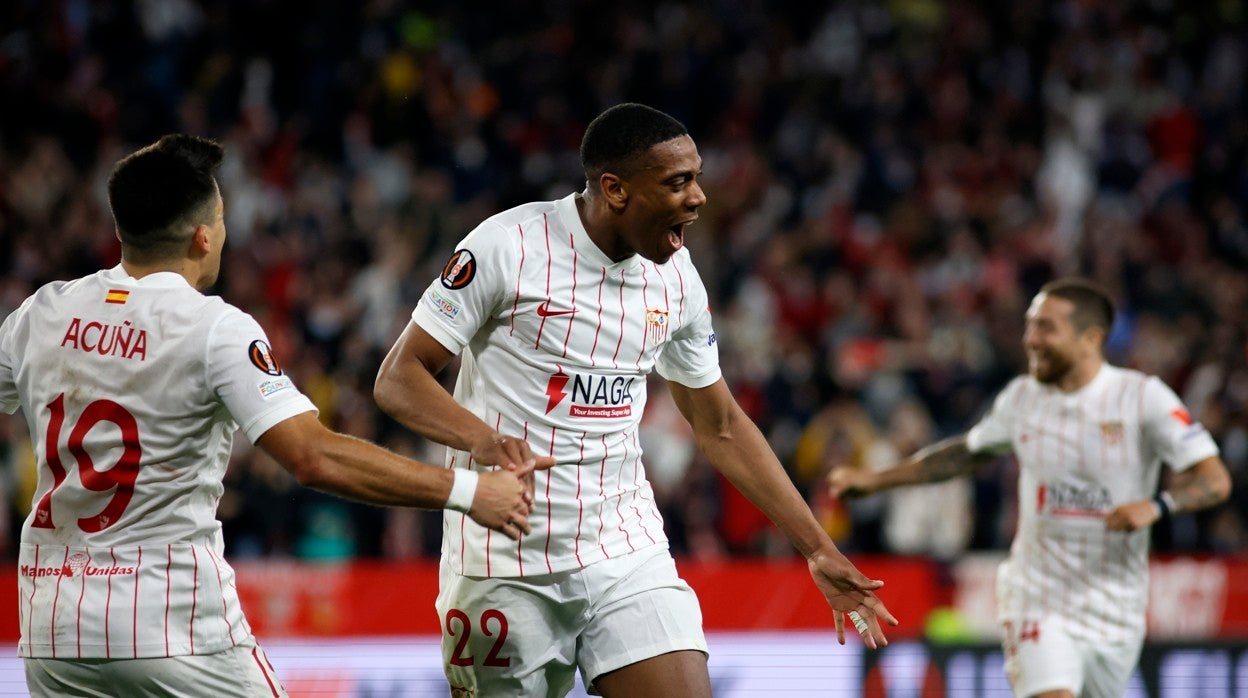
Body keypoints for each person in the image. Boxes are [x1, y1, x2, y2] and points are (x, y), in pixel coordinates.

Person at [0, 134, 553, 697]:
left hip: (53, 631)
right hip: (170, 630)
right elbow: (312, 456)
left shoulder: (40, 313)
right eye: (221, 216)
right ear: (202, 236)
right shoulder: (214, 329)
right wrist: (468, 492)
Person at [374, 102, 897, 698]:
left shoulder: (676, 277)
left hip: (623, 547)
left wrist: (817, 548)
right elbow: (398, 378)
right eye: (678, 182)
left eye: (696, 177)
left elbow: (720, 425)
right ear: (615, 189)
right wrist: (484, 442)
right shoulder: (507, 246)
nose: (698, 197)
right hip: (502, 559)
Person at [828, 277, 1232, 698]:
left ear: (1091, 338)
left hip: (1116, 606)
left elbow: (1214, 479)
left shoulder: (1142, 398)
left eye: (1046, 328)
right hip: (1037, 596)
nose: (1030, 339)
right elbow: (965, 454)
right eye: (1029, 325)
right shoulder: (1023, 398)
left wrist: (1157, 505)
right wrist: (876, 480)